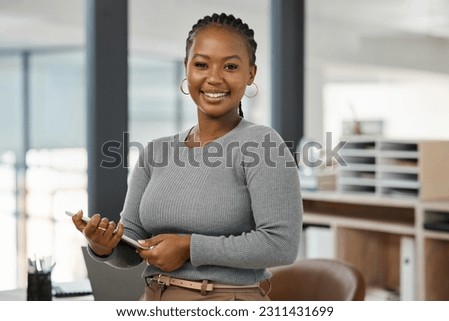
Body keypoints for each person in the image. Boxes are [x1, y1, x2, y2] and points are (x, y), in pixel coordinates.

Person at [72, 13, 302, 301]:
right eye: (201, 64)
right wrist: (103, 246)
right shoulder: (155, 152)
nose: (214, 78)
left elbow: (281, 245)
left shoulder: (263, 144)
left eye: (230, 66)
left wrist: (189, 247)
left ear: (250, 74)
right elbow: (132, 247)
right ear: (187, 68)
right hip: (153, 298)